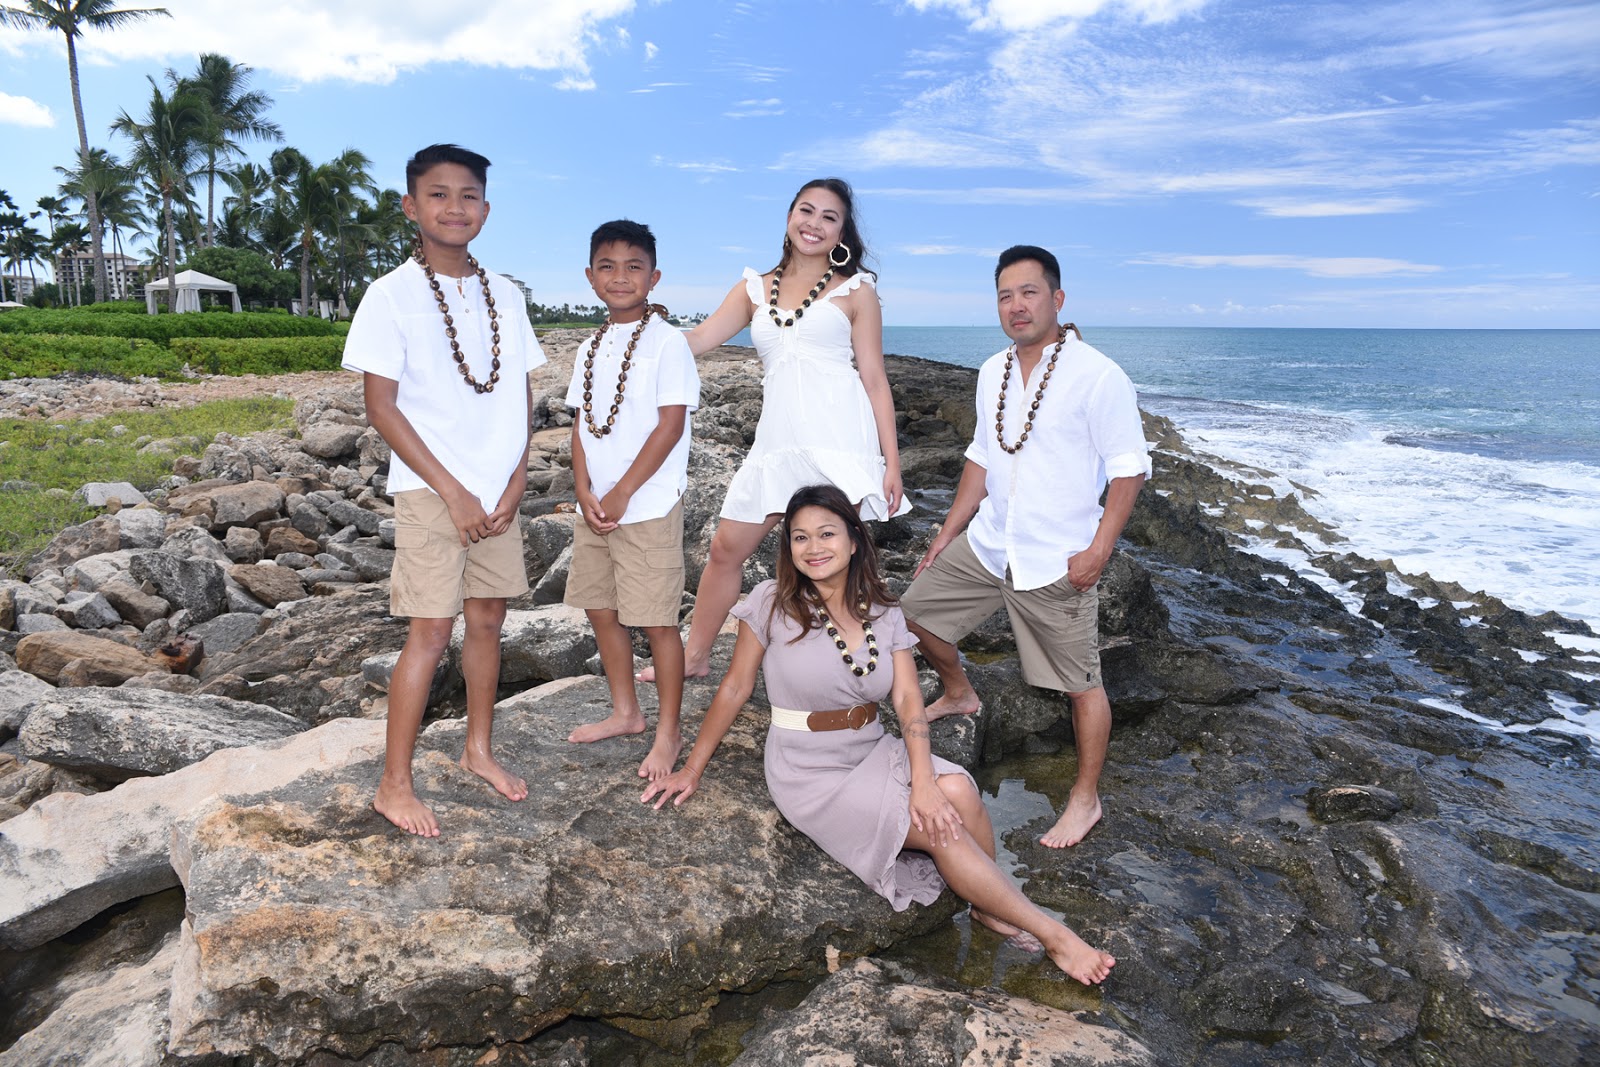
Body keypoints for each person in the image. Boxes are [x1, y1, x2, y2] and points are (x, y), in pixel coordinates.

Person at [642, 485, 1117, 986]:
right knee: (943, 828)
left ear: (853, 540)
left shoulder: (882, 610)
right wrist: (691, 768)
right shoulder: (771, 603)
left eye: (826, 533)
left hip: (870, 746)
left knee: (956, 791)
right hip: (809, 769)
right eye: (799, 537)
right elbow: (735, 688)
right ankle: (1052, 934)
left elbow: (909, 702)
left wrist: (925, 781)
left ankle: (991, 909)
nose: (813, 547)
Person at [901, 245, 1150, 850]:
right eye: (1005, 295)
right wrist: (946, 533)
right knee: (912, 615)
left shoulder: (1098, 375)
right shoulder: (993, 371)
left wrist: (1098, 551)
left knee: (1080, 685)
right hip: (989, 543)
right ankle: (960, 692)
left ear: (1057, 299)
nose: (1016, 306)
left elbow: (1130, 470)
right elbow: (982, 457)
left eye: (1029, 292)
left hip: (1055, 559)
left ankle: (1085, 800)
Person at [341, 143, 546, 836]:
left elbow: (520, 391)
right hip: (434, 491)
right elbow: (382, 405)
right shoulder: (389, 294)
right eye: (438, 194)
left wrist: (516, 477)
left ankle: (477, 748)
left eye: (467, 196)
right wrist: (452, 488)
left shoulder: (506, 294)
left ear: (485, 210)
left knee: (488, 619)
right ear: (411, 205)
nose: (453, 207)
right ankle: (393, 784)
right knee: (430, 631)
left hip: (497, 492)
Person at [637, 177, 910, 686]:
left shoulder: (857, 291)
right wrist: (643, 330)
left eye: (830, 217)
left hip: (838, 436)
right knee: (725, 549)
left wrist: (891, 464)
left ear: (842, 231)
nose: (815, 223)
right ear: (789, 217)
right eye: (806, 211)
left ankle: (858, 672)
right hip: (778, 439)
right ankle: (695, 657)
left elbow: (874, 377)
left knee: (837, 561)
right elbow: (698, 340)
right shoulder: (753, 288)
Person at [563, 219, 701, 781]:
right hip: (593, 508)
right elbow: (579, 425)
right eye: (608, 267)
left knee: (657, 622)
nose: (620, 277)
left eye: (633, 267)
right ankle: (626, 711)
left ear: (654, 276)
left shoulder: (668, 342)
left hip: (645, 508)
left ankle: (668, 732)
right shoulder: (589, 346)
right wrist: (582, 488)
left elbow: (669, 426)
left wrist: (622, 491)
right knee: (601, 608)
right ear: (591, 277)